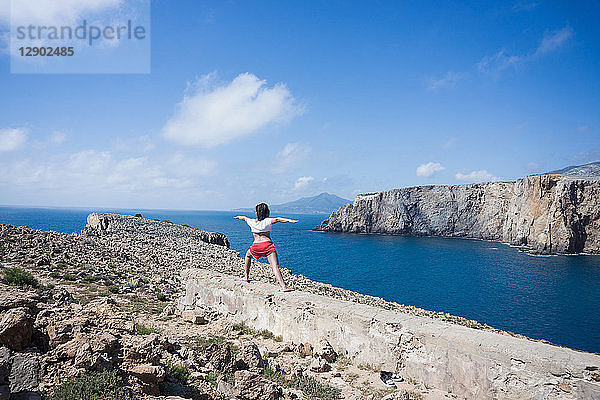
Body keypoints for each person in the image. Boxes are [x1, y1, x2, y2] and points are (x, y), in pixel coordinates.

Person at [234, 203, 298, 292]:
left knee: (248, 256)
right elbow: (278, 219)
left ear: (257, 213)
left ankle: (246, 277)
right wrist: (289, 220)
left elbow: (244, 217)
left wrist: (237, 217)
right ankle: (283, 286)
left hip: (256, 246)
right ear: (267, 212)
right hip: (267, 245)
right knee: (275, 266)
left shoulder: (251, 221)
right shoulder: (268, 221)